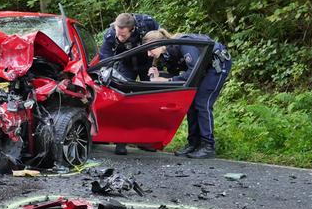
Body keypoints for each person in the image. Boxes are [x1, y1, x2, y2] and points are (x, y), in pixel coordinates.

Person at [142, 28, 231, 159]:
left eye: (150, 49)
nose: (148, 54)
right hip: (202, 69)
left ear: (160, 44)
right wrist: (158, 75)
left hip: (217, 65)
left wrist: (167, 80)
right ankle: (193, 143)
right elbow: (178, 74)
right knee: (190, 102)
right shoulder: (168, 53)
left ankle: (208, 145)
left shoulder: (183, 45)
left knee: (202, 102)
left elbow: (193, 72)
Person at [99, 13, 159, 155]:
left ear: (132, 30)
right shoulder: (110, 33)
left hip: (147, 63)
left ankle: (146, 140)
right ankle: (121, 141)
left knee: (149, 100)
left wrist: (157, 65)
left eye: (123, 35)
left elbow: (159, 40)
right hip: (126, 64)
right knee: (123, 100)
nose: (119, 38)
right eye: (118, 34)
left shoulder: (147, 24)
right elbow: (105, 57)